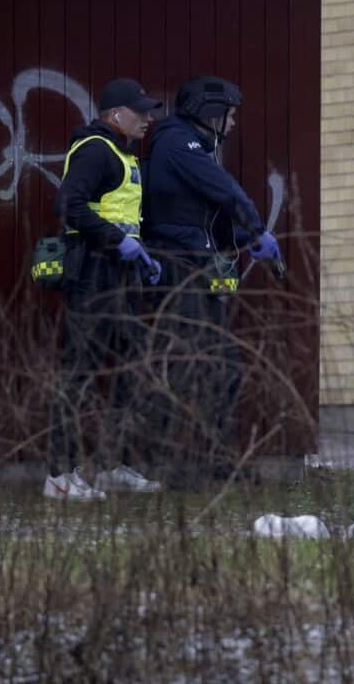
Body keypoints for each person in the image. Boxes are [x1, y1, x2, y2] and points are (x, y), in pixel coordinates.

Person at [141, 75, 284, 488]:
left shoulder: (193, 148)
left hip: (198, 265)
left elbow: (200, 219)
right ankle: (180, 467)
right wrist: (257, 229)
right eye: (230, 115)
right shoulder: (176, 142)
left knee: (223, 366)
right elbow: (226, 192)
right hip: (179, 269)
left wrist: (243, 240)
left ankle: (219, 462)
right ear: (210, 113)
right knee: (189, 366)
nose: (234, 123)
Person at [44, 77, 165, 501]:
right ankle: (59, 476)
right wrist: (119, 241)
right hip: (94, 274)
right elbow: (68, 206)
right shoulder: (96, 150)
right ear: (116, 114)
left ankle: (115, 465)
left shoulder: (122, 153)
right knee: (79, 373)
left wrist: (141, 256)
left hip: (120, 275)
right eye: (141, 111)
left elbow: (119, 214)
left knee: (129, 371)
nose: (149, 119)